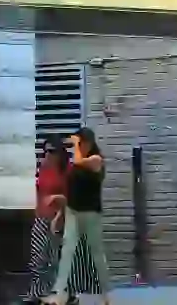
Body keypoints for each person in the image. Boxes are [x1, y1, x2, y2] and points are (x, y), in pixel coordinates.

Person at [46, 128, 111, 305]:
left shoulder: (97, 160)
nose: (82, 146)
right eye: (81, 143)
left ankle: (106, 293)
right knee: (67, 250)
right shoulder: (76, 164)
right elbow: (71, 191)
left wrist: (75, 144)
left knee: (97, 254)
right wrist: (60, 214)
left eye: (84, 143)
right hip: (73, 211)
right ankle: (58, 293)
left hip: (91, 213)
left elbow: (78, 161)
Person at [23, 138, 69, 303]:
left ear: (59, 153)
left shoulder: (67, 172)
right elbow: (38, 190)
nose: (48, 154)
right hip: (41, 217)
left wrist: (59, 215)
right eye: (46, 151)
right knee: (37, 257)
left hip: (58, 219)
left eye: (52, 151)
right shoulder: (43, 169)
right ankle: (36, 292)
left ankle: (61, 294)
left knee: (55, 259)